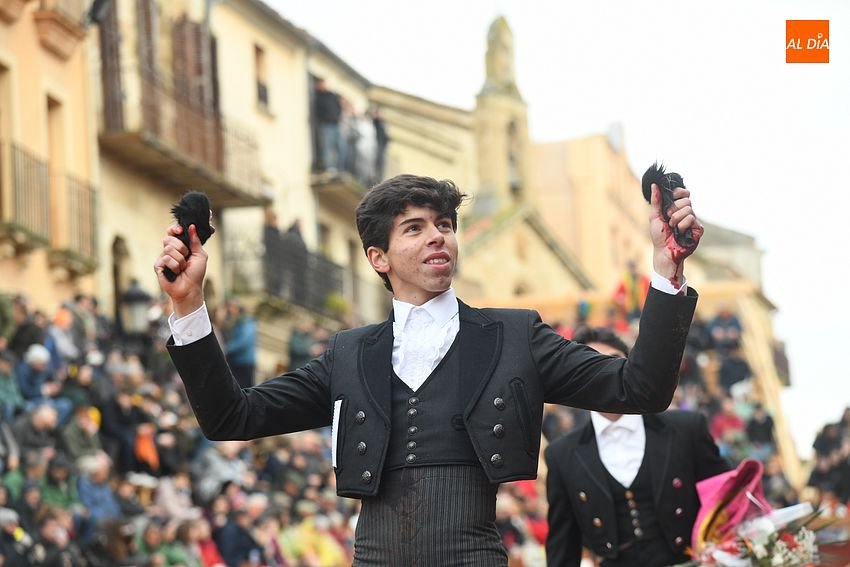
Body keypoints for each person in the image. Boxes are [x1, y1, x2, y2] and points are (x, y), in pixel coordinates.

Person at [154, 173, 703, 565]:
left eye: (444, 224)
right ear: (378, 258)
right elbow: (231, 416)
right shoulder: (349, 354)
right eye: (414, 228)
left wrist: (666, 272)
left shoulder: (515, 335)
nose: (438, 234)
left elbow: (641, 388)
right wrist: (188, 306)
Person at [544, 327, 729, 566]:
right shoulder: (561, 455)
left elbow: (727, 500)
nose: (602, 371)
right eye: (589, 363)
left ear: (630, 367)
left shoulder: (687, 428)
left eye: (612, 360)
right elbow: (563, 546)